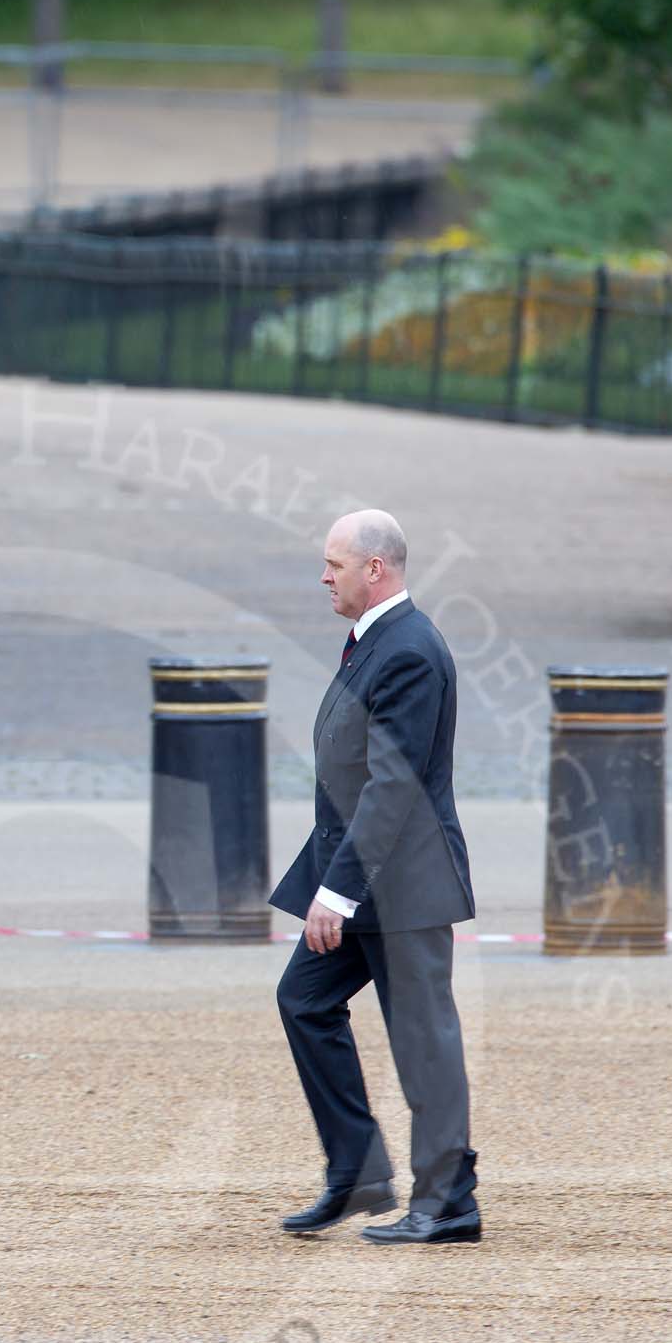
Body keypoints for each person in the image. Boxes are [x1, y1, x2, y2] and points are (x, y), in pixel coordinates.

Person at [271, 510, 480, 1245]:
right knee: (303, 1000)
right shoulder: (374, 641)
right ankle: (357, 1173)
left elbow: (392, 787)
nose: (323, 576)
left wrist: (336, 889)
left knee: (422, 1036)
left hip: (402, 882)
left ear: (375, 570)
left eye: (334, 564)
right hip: (362, 875)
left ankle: (449, 1198)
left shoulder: (409, 651)